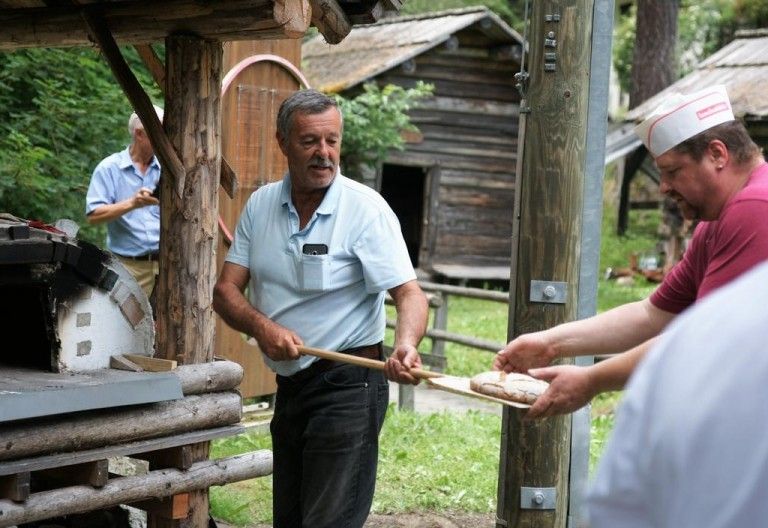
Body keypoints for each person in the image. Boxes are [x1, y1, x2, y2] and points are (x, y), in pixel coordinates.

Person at [212, 89, 428, 528]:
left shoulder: (366, 210)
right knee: (290, 520)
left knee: (328, 521)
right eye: (310, 141)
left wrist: (406, 344)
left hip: (349, 386)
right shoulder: (261, 205)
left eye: (332, 141)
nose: (323, 153)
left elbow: (409, 294)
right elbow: (225, 291)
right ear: (283, 142)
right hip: (291, 387)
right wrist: (262, 327)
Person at [494, 85, 768, 419]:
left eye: (672, 171)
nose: (663, 187)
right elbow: (653, 315)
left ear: (717, 154)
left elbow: (707, 338)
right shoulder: (715, 223)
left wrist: (592, 380)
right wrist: (550, 343)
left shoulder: (756, 207)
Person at [587, 260, 768, 528]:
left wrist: (590, 379)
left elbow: (617, 510)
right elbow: (651, 312)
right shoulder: (701, 329)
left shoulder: (703, 330)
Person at [85, 105, 163, 298]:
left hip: (167, 263)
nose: (164, 140)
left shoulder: (167, 167)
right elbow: (93, 216)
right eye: (158, 133)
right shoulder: (109, 168)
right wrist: (133, 203)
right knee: (128, 318)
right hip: (128, 267)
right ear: (139, 134)